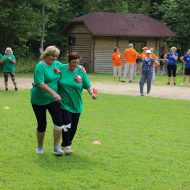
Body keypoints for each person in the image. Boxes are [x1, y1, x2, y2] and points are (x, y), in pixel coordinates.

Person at [58, 52, 97, 155]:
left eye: (77, 62)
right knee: (66, 123)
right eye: (74, 62)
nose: (75, 65)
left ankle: (64, 145)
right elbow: (51, 63)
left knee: (74, 126)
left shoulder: (80, 71)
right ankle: (67, 146)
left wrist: (92, 93)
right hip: (64, 103)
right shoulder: (61, 68)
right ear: (68, 62)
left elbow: (87, 85)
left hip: (77, 104)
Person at [30, 46, 64, 155]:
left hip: (53, 100)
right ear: (46, 55)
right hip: (39, 100)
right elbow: (40, 83)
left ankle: (56, 147)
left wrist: (80, 67)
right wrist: (54, 93)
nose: (55, 58)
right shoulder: (40, 66)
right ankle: (40, 147)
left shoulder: (56, 64)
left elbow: (68, 67)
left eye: (56, 56)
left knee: (59, 122)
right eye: (52, 56)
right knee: (42, 124)